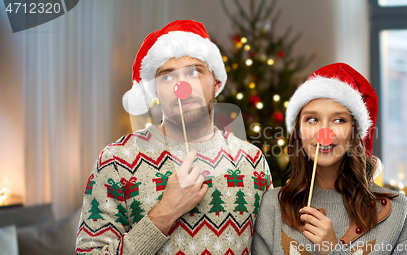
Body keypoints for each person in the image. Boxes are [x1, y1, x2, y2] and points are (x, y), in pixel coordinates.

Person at [75, 20, 273, 255]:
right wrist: (165, 212)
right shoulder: (116, 161)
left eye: (194, 71)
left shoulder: (253, 161)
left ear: (217, 81)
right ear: (155, 91)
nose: (183, 87)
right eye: (167, 77)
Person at [251, 63, 407, 255]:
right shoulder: (272, 205)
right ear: (298, 131)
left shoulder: (397, 211)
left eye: (339, 120)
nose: (325, 133)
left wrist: (332, 249)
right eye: (312, 119)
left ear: (354, 132)